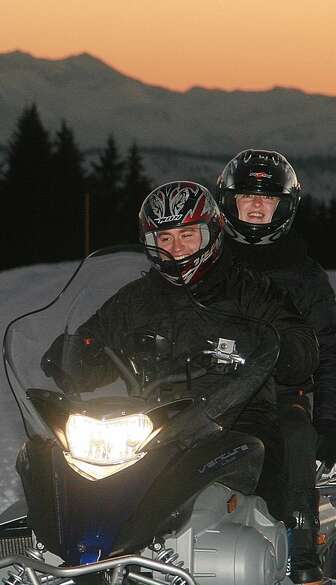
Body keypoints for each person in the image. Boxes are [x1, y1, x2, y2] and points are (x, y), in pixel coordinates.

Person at [42, 181, 319, 562]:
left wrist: (289, 348)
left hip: (238, 414)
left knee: (267, 457)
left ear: (211, 233)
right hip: (158, 422)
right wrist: (71, 355)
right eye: (164, 239)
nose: (176, 249)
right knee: (88, 479)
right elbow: (94, 347)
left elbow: (297, 340)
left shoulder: (251, 291)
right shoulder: (136, 300)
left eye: (188, 235)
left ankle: (291, 559)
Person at [217, 149, 336, 585]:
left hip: (282, 394)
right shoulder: (206, 262)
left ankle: (300, 549)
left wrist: (329, 421)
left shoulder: (303, 275)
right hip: (209, 391)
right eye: (246, 195)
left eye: (267, 198)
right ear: (228, 202)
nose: (255, 205)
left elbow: (329, 349)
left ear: (284, 207)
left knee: (293, 433)